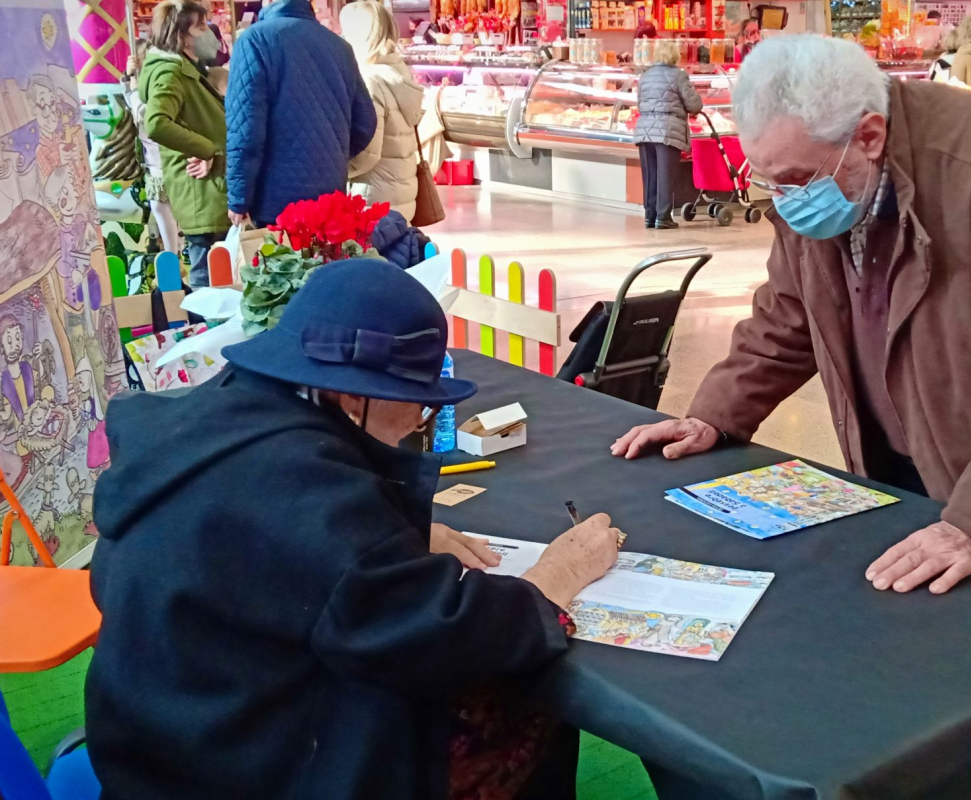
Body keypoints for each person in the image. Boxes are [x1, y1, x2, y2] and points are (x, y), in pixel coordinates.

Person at [611, 36, 971, 596]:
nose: (785, 201)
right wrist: (713, 415)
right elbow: (789, 316)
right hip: (934, 465)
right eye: (768, 180)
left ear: (869, 137)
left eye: (793, 181)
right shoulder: (825, 167)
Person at [86, 258, 624, 799]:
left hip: (154, 751)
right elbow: (436, 634)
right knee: (523, 696)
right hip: (247, 772)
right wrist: (555, 577)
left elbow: (280, 558)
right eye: (419, 400)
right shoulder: (308, 489)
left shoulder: (203, 418)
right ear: (353, 396)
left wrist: (386, 539)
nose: (419, 421)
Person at [226, 0, 377, 228]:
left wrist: (238, 198)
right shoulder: (340, 46)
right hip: (330, 196)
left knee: (277, 252)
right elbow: (365, 122)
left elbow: (245, 131)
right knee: (326, 251)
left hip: (275, 201)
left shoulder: (254, 40)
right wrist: (331, 154)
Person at [138, 0, 230, 288]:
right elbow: (157, 123)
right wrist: (205, 149)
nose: (208, 33)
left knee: (218, 272)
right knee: (206, 276)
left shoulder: (189, 69)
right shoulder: (170, 72)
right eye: (200, 27)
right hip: (200, 188)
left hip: (210, 188)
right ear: (181, 35)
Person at [341, 1, 424, 220]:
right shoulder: (398, 72)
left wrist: (337, 170)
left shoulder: (371, 80)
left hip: (372, 198)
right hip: (399, 192)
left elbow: (368, 153)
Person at [633, 38, 702, 230]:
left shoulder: (645, 76)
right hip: (668, 130)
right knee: (665, 175)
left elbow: (640, 103)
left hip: (645, 129)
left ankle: (650, 216)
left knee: (650, 176)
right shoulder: (679, 76)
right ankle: (663, 217)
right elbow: (694, 104)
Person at [124, 40, 181, 256]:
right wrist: (128, 78)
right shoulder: (144, 88)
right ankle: (172, 253)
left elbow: (145, 115)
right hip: (154, 159)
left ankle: (174, 253)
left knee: (163, 207)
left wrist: (132, 89)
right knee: (160, 207)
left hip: (165, 157)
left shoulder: (160, 88)